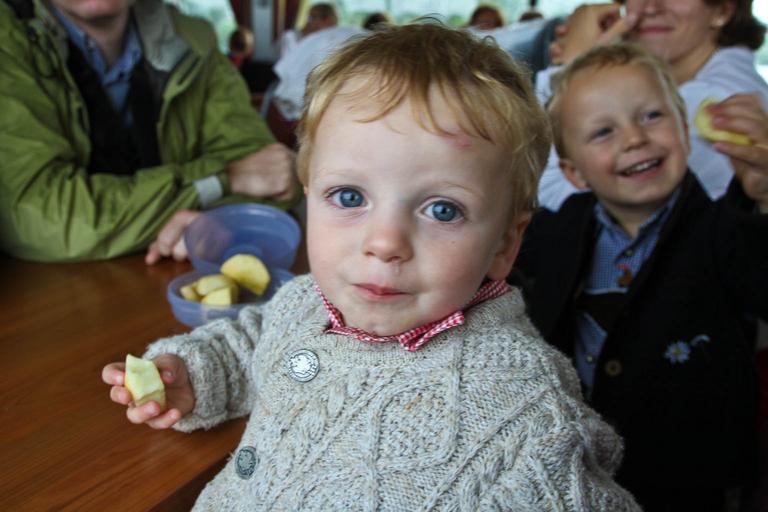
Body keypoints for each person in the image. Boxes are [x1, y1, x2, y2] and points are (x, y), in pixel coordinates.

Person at [102, 22, 641, 510]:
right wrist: (194, 374)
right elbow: (257, 341)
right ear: (308, 198)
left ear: (505, 242)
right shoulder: (309, 300)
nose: (385, 243)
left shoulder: (525, 413)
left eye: (442, 210)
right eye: (349, 197)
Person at [514, 42, 768, 511]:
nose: (634, 138)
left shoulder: (725, 231)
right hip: (584, 471)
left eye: (652, 116)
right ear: (573, 171)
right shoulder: (560, 228)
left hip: (694, 478)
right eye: (603, 131)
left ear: (685, 131)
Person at [0, 0, 298, 262]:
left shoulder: (193, 41)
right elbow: (38, 219)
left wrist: (202, 223)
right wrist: (223, 179)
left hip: (171, 279)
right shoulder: (9, 44)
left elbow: (274, 177)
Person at [536, 0, 768, 211]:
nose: (650, 7)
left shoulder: (711, 100)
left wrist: (573, 67)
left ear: (723, 10)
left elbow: (548, 197)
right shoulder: (680, 85)